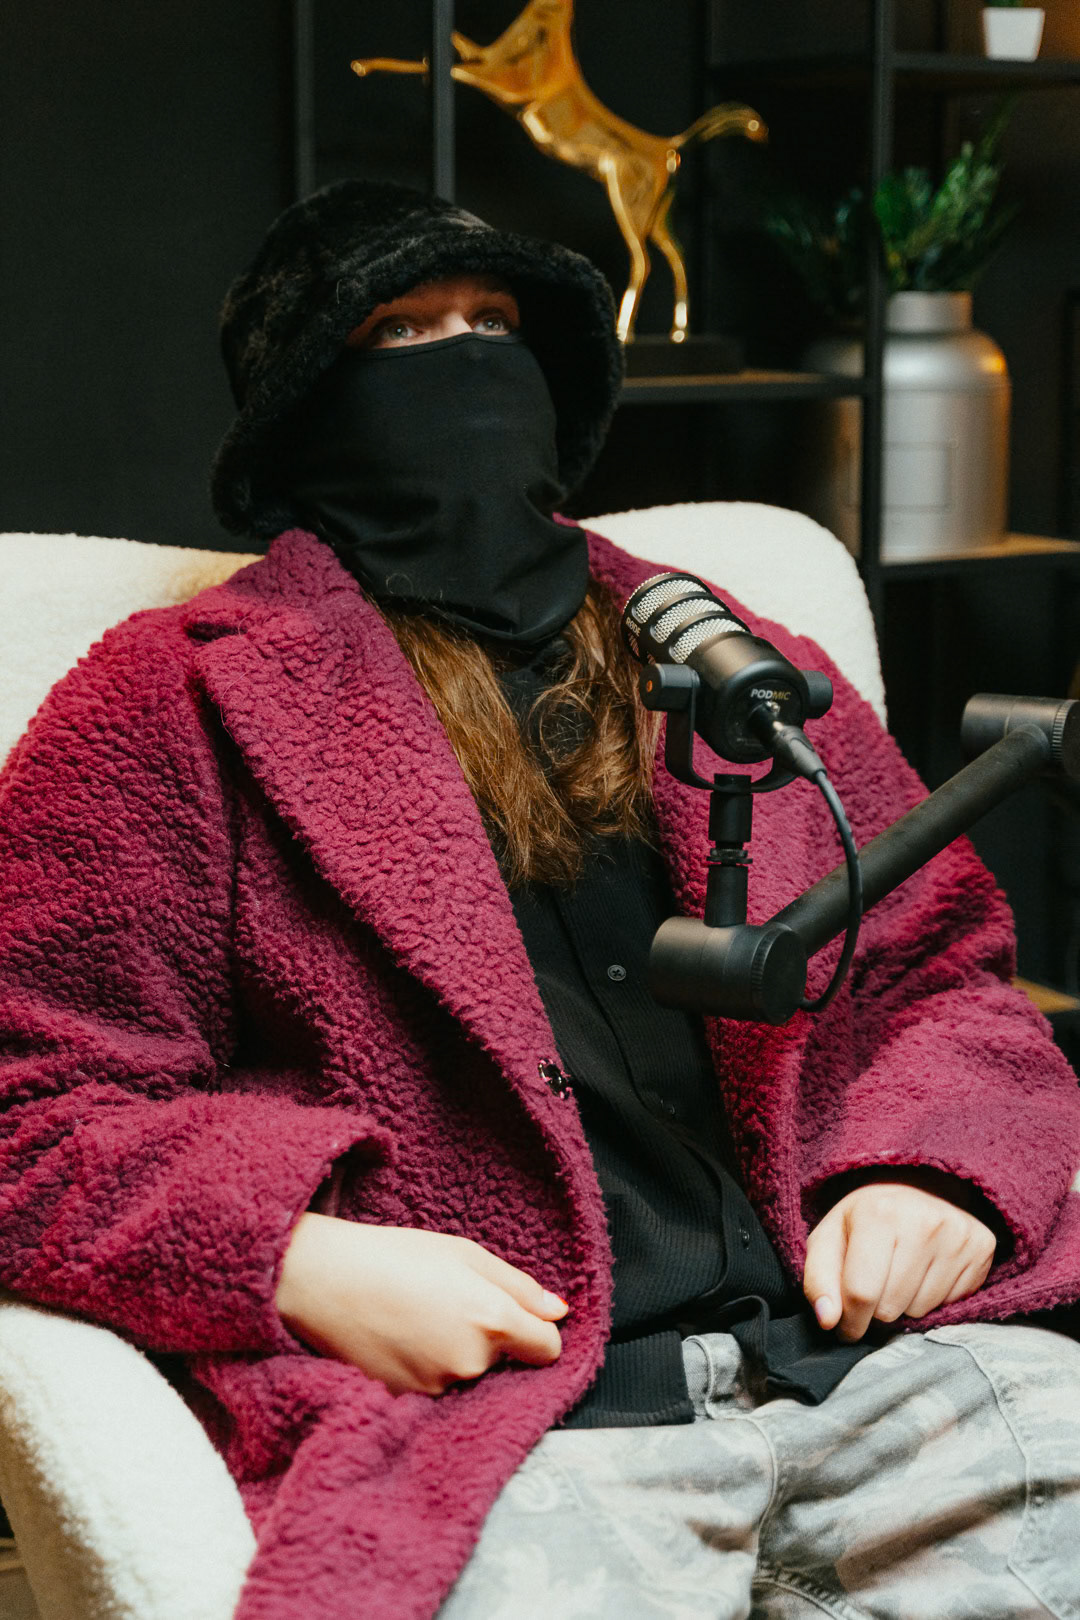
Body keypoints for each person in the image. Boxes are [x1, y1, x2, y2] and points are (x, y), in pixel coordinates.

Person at [1, 178, 1080, 1619]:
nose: (463, 364)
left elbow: (942, 974)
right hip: (527, 1414)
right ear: (305, 400)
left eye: (494, 323)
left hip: (884, 1359)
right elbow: (29, 1106)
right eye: (401, 334)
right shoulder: (176, 703)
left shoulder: (727, 656)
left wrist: (934, 1169)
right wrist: (295, 1254)